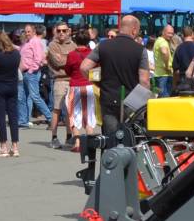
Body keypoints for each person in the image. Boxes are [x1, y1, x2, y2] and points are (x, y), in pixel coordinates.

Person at [87, 13, 150, 141]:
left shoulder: (103, 45)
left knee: (110, 139)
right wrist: (139, 103)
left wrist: (98, 82)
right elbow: (144, 81)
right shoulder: (140, 50)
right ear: (134, 30)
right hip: (132, 101)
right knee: (131, 139)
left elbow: (84, 67)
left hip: (108, 98)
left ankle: (109, 159)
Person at [0, 31, 22, 157]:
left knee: (1, 117)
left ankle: (3, 147)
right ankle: (15, 147)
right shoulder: (17, 53)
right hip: (13, 86)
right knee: (13, 117)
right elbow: (20, 67)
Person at [64, 28, 97, 157]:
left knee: (73, 114)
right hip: (89, 85)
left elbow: (67, 70)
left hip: (75, 85)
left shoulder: (72, 54)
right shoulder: (92, 53)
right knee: (88, 114)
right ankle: (90, 141)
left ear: (75, 40)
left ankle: (77, 143)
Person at [45, 22, 75, 149]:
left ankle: (69, 136)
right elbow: (58, 62)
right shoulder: (52, 45)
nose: (61, 33)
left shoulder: (73, 44)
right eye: (59, 31)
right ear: (55, 32)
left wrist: (64, 58)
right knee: (57, 109)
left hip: (72, 80)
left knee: (70, 110)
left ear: (69, 31)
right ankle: (54, 137)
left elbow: (75, 61)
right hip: (59, 80)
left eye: (64, 30)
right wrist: (68, 58)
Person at [18, 24, 52, 124]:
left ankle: (50, 118)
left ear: (33, 32)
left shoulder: (35, 41)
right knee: (23, 97)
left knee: (35, 97)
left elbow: (38, 58)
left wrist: (30, 71)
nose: (27, 33)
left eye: (29, 31)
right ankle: (23, 120)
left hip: (31, 73)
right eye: (25, 31)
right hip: (24, 73)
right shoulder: (27, 42)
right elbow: (21, 52)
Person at [151, 24, 176, 97]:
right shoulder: (163, 42)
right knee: (165, 98)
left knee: (161, 96)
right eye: (169, 33)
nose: (171, 35)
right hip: (164, 74)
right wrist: (167, 66)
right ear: (163, 32)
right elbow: (164, 52)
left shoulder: (158, 40)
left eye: (172, 33)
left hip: (159, 74)